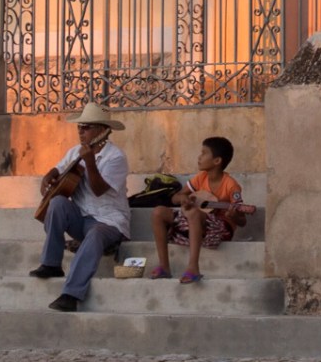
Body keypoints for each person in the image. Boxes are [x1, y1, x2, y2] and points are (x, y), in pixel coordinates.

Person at [29, 102, 130, 312]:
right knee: (56, 203)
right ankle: (52, 264)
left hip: (109, 221)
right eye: (79, 127)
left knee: (95, 235)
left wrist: (90, 163)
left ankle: (71, 294)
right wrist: (49, 177)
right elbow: (58, 169)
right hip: (81, 217)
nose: (80, 131)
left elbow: (99, 189)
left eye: (86, 127)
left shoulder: (116, 157)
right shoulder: (75, 151)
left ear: (102, 130)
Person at [150, 135, 250, 284]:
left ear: (217, 161)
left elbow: (242, 221)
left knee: (194, 213)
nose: (199, 157)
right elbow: (176, 197)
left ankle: (193, 268)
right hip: (195, 225)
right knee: (158, 212)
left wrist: (233, 215)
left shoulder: (231, 185)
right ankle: (164, 267)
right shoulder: (200, 178)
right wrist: (182, 198)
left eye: (204, 153)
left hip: (219, 230)